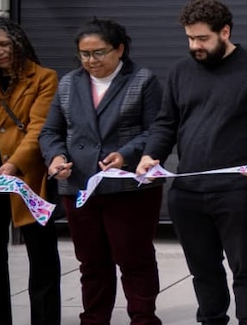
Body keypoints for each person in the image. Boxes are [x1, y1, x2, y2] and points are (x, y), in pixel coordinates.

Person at [135, 0, 247, 325]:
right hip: (187, 191)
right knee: (203, 270)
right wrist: (151, 154)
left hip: (237, 191)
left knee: (244, 267)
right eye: (190, 38)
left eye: (202, 38)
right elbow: (166, 123)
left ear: (225, 32)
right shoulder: (180, 71)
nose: (195, 46)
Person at [39, 18, 164, 325]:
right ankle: (94, 319)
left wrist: (126, 154)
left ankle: (143, 318)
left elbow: (158, 130)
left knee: (135, 259)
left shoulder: (143, 80)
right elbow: (50, 132)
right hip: (80, 187)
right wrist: (55, 159)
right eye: (84, 54)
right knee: (91, 263)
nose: (91, 61)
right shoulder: (69, 83)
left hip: (128, 188)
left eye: (99, 53)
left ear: (120, 49)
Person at [0, 16, 60, 325]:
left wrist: (13, 164)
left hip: (28, 171)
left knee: (41, 253)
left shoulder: (44, 78)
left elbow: (39, 130)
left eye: (4, 44)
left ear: (19, 43)